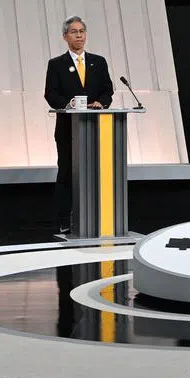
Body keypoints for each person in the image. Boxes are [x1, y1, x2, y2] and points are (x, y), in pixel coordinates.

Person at [44, 16, 114, 238]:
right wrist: (68, 104)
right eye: (74, 32)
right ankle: (65, 220)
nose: (79, 36)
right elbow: (50, 93)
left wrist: (101, 103)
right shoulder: (56, 64)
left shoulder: (98, 62)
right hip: (68, 129)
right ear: (65, 37)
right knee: (67, 172)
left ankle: (97, 218)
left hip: (95, 127)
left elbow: (107, 90)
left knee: (96, 172)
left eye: (82, 31)